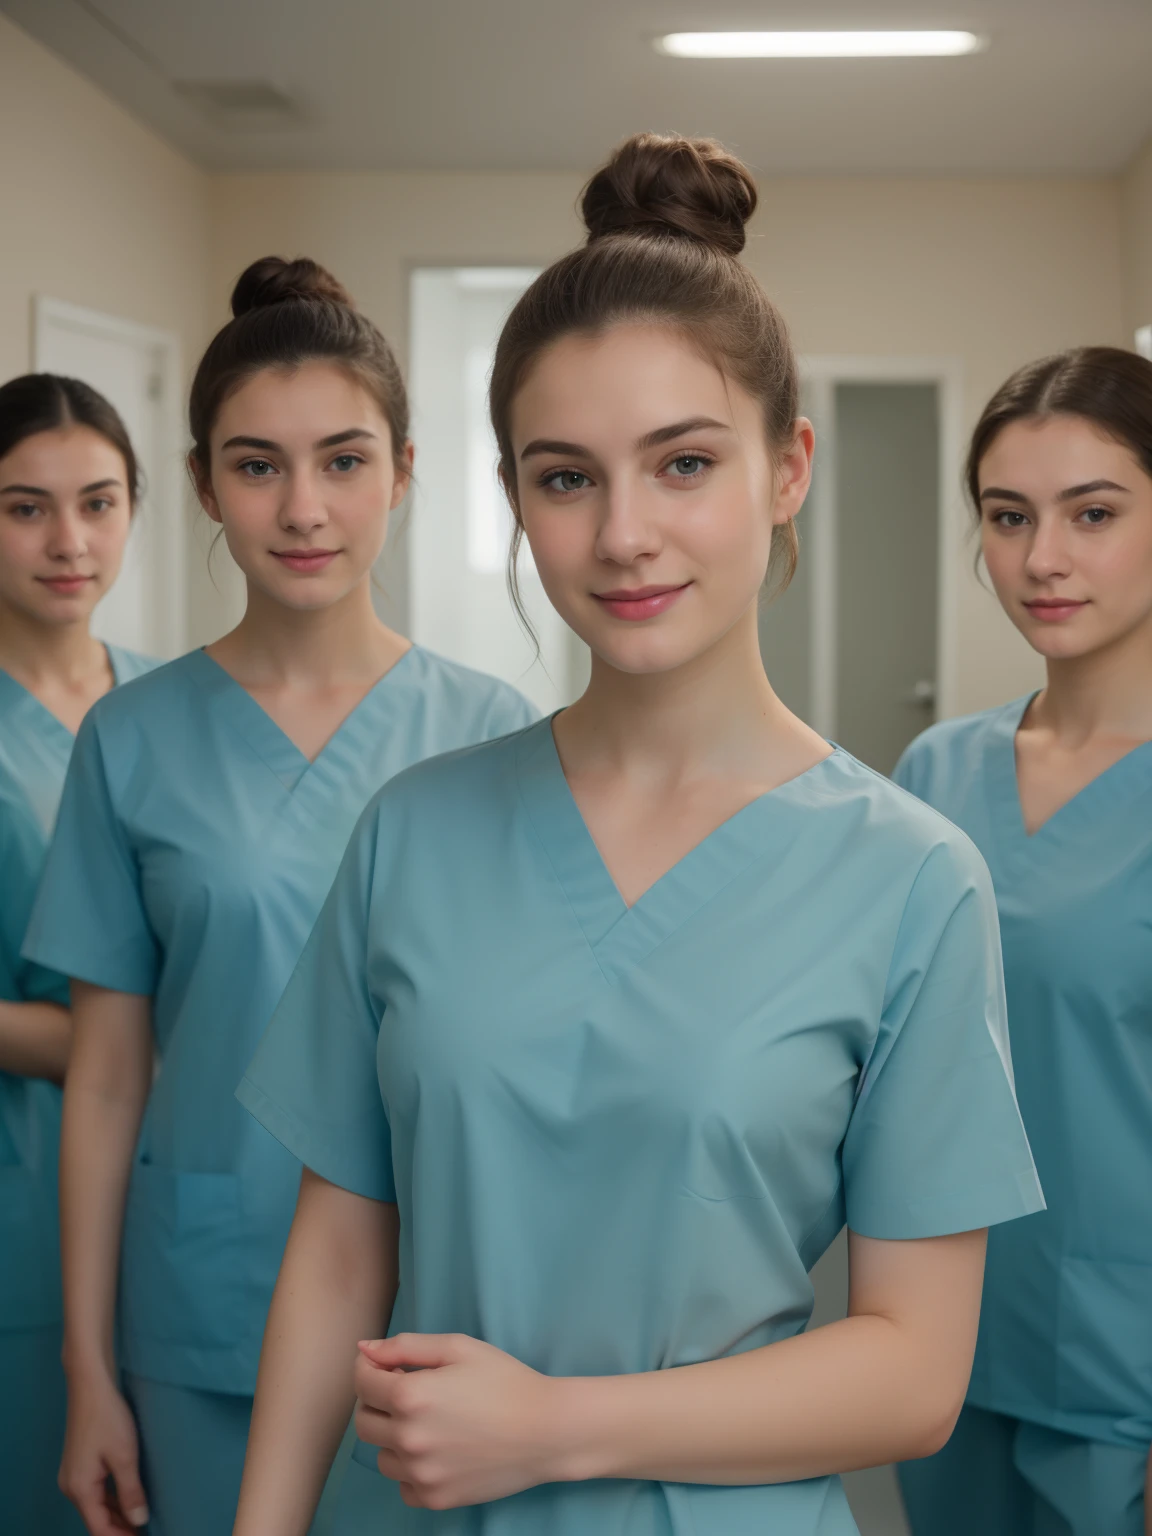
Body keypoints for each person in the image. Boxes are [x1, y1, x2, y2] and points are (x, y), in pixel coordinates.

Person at [231, 135, 1043, 1536]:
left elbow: (914, 1371)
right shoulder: (412, 834)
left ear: (788, 470)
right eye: (565, 479)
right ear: (515, 499)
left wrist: (550, 1428)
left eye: (682, 464)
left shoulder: (909, 876)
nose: (623, 536)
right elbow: (337, 1259)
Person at [22, 258, 537, 1536]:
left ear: (407, 472)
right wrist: (90, 1368)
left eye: (345, 462)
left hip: (439, 1313)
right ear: (201, 483)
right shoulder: (130, 740)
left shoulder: (499, 736)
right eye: (257, 466)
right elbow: (104, 1073)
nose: (304, 508)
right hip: (202, 1304)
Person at [894, 346, 1152, 1536]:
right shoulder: (932, 773)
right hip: (933, 1347)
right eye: (1009, 517)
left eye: (1093, 513)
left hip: (1123, 1381)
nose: (1042, 558)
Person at [0, 373, 158, 1535]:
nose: (70, 541)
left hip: (168, 1196)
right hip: (24, 1196)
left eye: (98, 502)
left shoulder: (168, 707)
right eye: (24, 508)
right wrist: (126, 1038)